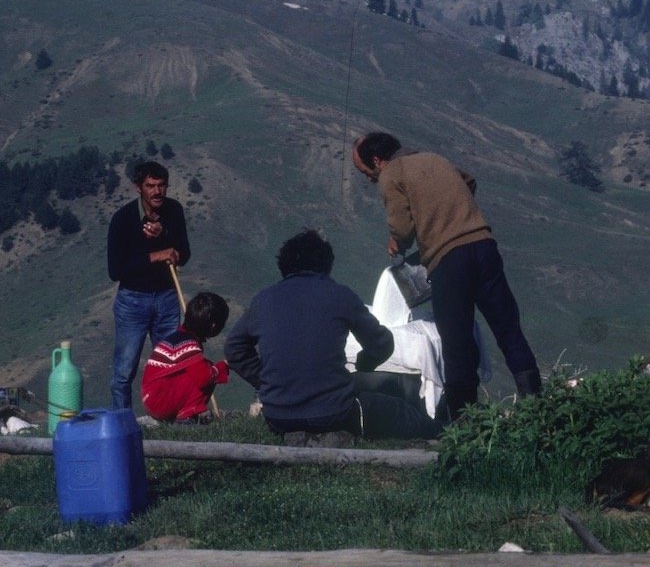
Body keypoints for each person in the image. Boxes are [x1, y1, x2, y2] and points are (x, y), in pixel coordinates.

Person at [352, 132, 541, 415]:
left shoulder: (392, 173)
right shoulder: (434, 158)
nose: (369, 178)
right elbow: (469, 182)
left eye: (366, 171)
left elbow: (402, 229)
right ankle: (535, 403)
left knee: (456, 340)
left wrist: (398, 242)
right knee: (507, 328)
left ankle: (466, 419)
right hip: (484, 246)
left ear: (378, 161)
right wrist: (451, 210)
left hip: (450, 259)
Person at [225, 228, 442, 443]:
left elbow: (234, 349)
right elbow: (382, 342)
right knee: (398, 411)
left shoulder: (264, 300)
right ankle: (439, 435)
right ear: (326, 263)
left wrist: (264, 380)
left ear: (284, 265)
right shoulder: (340, 296)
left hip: (277, 417)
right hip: (333, 413)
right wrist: (365, 362)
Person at [106, 160, 190, 411]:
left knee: (171, 363)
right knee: (124, 370)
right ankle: (123, 420)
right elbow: (116, 271)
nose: (157, 191)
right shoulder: (123, 219)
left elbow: (184, 253)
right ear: (138, 188)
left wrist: (168, 242)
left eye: (161, 185)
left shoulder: (174, 211)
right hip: (133, 300)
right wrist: (155, 255)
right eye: (150, 186)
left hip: (166, 297)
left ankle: (170, 418)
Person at [141, 291, 230, 423]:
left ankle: (185, 412)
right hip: (159, 402)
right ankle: (187, 415)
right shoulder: (188, 345)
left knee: (204, 366)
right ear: (214, 326)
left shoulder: (178, 338)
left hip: (152, 396)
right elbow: (203, 379)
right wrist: (224, 366)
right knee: (208, 372)